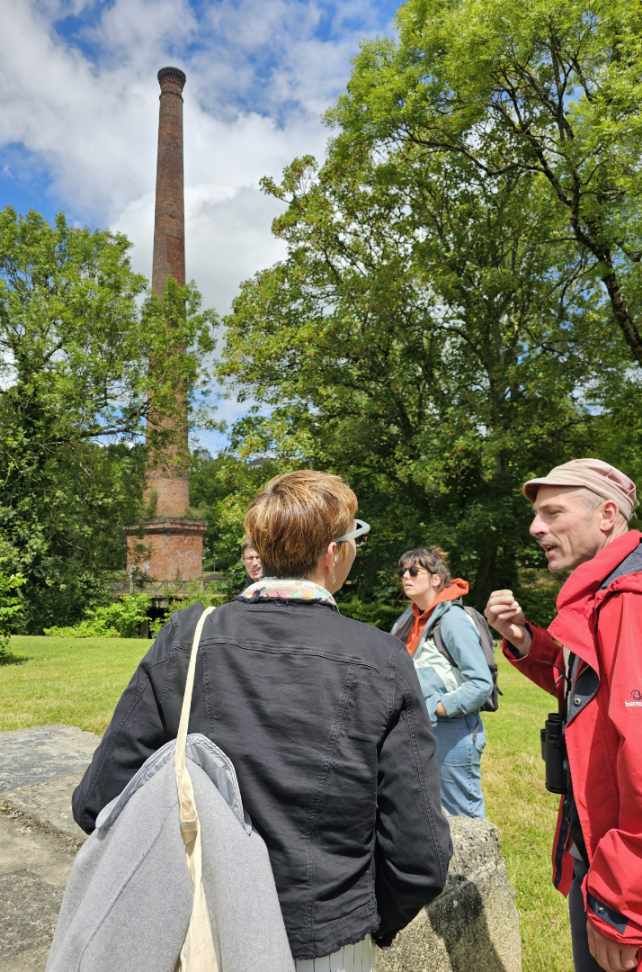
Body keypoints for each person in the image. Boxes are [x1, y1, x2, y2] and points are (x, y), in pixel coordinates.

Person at [73, 470, 452, 970]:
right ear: (332, 554)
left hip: (202, 934)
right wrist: (361, 921)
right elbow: (419, 853)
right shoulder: (381, 658)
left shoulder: (188, 637)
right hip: (322, 942)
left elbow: (97, 800)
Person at [484, 458, 642, 972]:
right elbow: (587, 687)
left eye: (553, 512)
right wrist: (525, 640)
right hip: (596, 858)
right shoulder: (600, 596)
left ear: (607, 515)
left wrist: (622, 905)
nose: (536, 527)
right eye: (535, 515)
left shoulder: (629, 601)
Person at [391, 547, 493, 818]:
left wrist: (439, 707)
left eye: (414, 571)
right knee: (430, 815)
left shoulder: (452, 621)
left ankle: (477, 862)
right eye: (403, 571)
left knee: (463, 817)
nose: (406, 577)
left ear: (436, 579)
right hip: (419, 729)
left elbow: (481, 683)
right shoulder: (408, 620)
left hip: (453, 732)